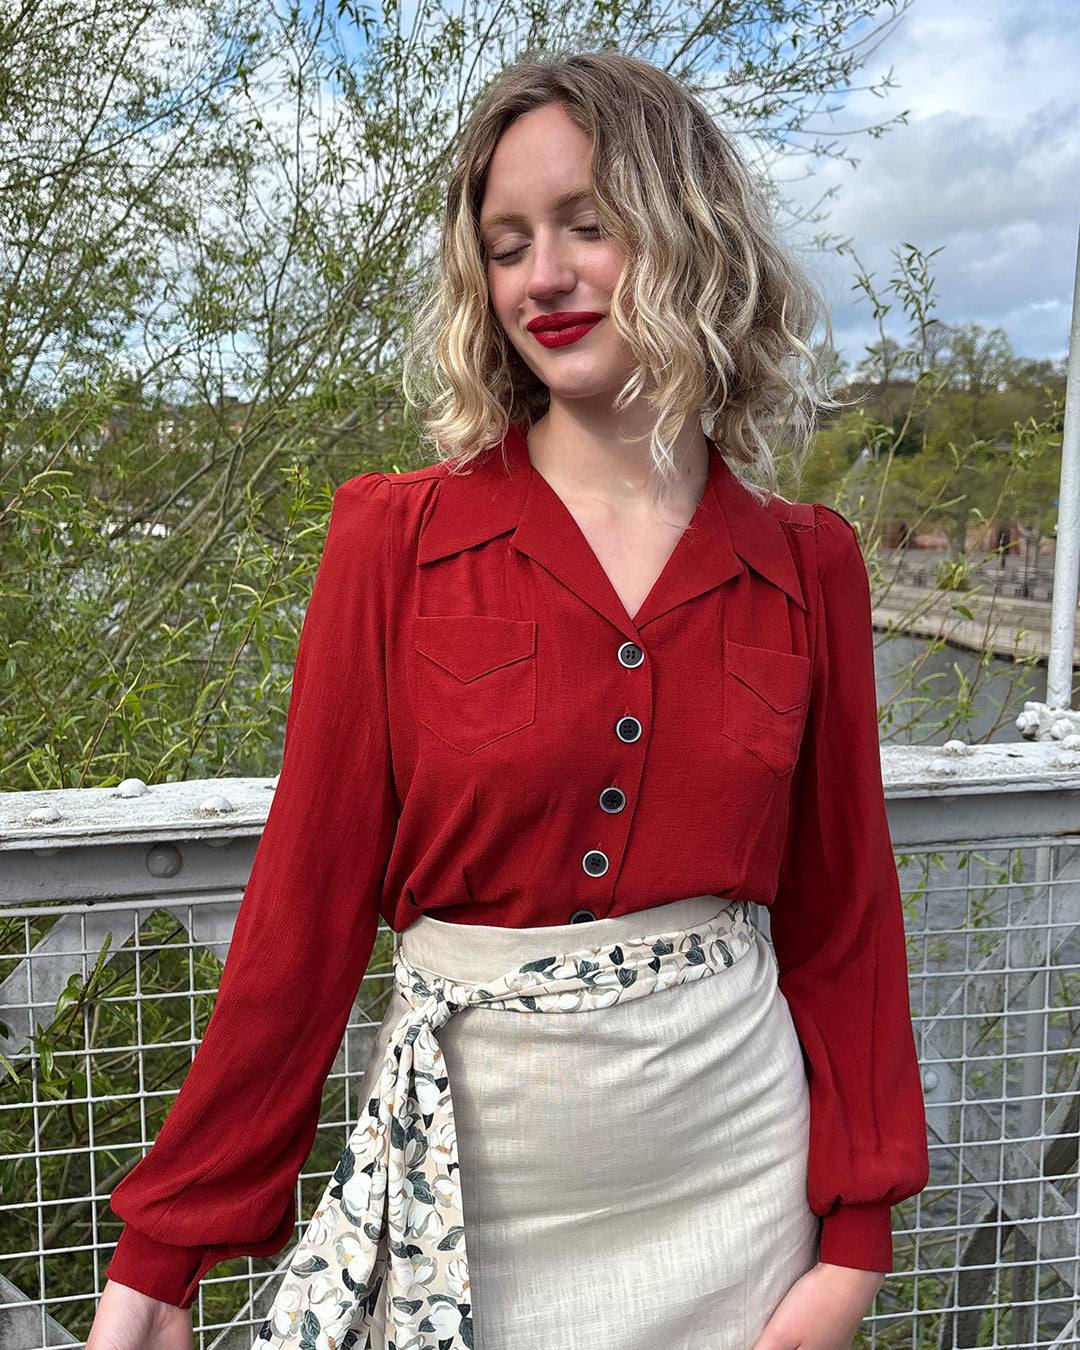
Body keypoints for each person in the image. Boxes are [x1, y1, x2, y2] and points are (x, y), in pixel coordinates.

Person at [87, 48, 929, 1350]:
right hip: (467, 1205)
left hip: (740, 1202)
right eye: (508, 243)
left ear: (692, 234)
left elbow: (844, 916)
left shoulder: (807, 565)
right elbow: (304, 907)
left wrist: (857, 1241)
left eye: (589, 225)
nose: (543, 277)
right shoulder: (396, 540)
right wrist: (164, 1253)